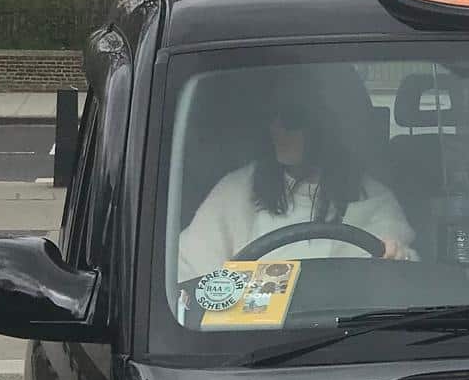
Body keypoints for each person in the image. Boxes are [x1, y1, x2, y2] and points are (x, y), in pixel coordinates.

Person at [178, 72, 417, 283]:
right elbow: (188, 274)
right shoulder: (237, 191)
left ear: (324, 122)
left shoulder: (373, 199)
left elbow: (399, 275)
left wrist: (397, 257)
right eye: (271, 116)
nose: (276, 128)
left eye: (291, 118)